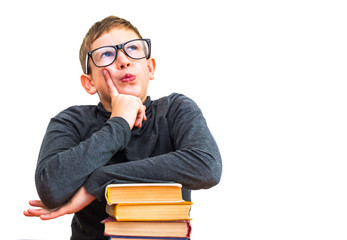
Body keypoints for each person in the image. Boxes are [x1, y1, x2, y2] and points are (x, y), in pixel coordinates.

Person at [24, 15, 222, 240]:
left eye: (133, 49)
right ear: (89, 83)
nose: (124, 60)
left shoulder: (176, 110)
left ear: (150, 68)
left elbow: (207, 167)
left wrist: (100, 180)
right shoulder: (71, 121)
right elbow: (51, 188)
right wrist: (119, 123)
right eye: (107, 54)